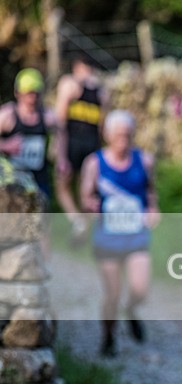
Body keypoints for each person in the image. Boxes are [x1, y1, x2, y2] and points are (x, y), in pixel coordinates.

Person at [80, 110, 160, 357]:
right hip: (107, 238)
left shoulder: (144, 160)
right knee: (112, 293)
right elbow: (86, 196)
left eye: (127, 135)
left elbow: (151, 191)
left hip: (136, 236)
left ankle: (132, 310)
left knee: (140, 288)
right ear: (108, 135)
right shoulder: (94, 163)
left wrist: (153, 209)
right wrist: (91, 205)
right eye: (118, 135)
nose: (123, 140)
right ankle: (108, 338)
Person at [55, 53, 108, 242]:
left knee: (62, 186)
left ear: (77, 67)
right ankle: (86, 226)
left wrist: (59, 152)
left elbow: (60, 121)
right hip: (92, 143)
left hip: (72, 141)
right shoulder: (102, 91)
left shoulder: (69, 84)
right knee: (85, 188)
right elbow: (103, 127)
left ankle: (77, 221)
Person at [0, 68, 57, 202]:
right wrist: (5, 145)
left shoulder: (47, 116)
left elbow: (61, 133)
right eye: (28, 94)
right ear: (17, 93)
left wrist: (60, 156)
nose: (32, 98)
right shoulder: (7, 115)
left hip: (38, 178)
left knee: (41, 210)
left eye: (36, 93)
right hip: (11, 179)